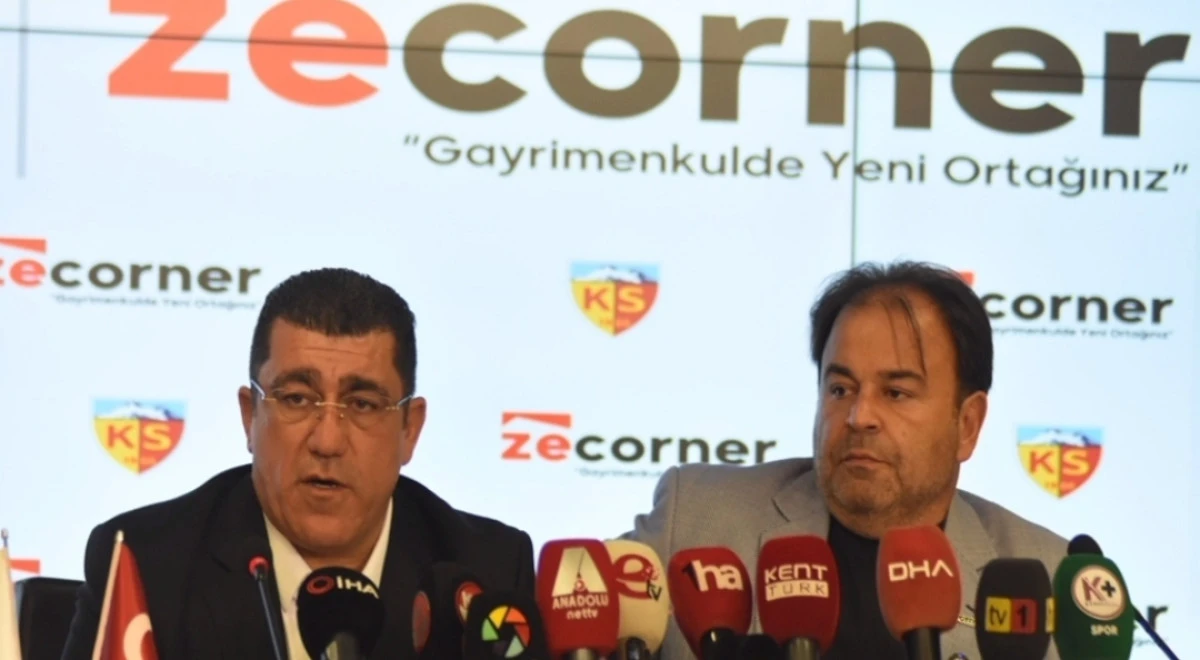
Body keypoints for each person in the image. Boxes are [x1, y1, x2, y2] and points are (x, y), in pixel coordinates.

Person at [61, 268, 536, 659]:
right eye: (296, 398)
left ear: (409, 429)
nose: (327, 441)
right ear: (251, 416)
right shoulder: (146, 564)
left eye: (363, 404)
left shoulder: (485, 571)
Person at [626, 261, 1067, 660]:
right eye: (840, 389)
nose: (859, 416)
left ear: (967, 424)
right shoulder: (694, 520)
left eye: (896, 393)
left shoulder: (1046, 580)